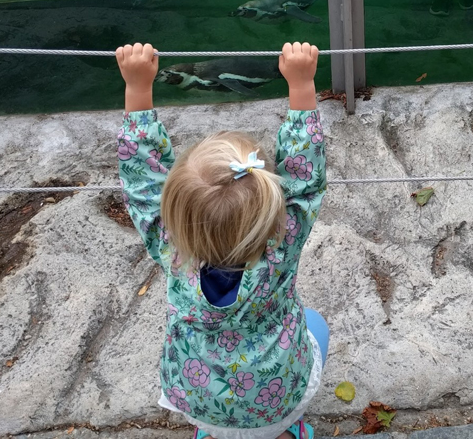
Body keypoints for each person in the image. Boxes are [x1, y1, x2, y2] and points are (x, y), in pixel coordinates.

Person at [115, 41, 328, 439]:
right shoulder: (282, 246)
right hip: (275, 394)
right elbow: (305, 178)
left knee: (221, 414)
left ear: (173, 214)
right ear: (274, 207)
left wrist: (137, 88)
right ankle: (285, 431)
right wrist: (302, 83)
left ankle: (213, 432)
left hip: (195, 395)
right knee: (316, 324)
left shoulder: (170, 248)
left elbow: (141, 181)